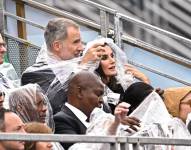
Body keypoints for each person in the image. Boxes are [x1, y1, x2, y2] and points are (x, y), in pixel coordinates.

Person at [21, 18, 106, 114]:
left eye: (81, 42)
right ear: (57, 46)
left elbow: (101, 103)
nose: (81, 47)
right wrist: (82, 68)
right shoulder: (33, 75)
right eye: (76, 42)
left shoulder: (79, 66)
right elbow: (52, 107)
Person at [54, 71, 140, 150]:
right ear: (80, 92)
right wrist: (111, 126)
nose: (101, 101)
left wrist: (116, 125)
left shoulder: (102, 116)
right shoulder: (61, 120)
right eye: (98, 94)